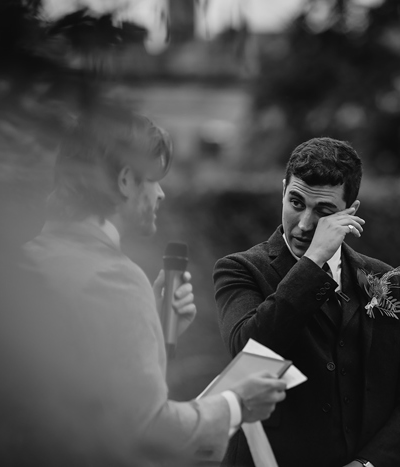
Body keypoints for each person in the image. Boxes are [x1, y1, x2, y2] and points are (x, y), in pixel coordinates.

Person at [23, 110, 286, 466]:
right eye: (155, 179)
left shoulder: (26, 259)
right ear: (126, 180)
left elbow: (89, 392)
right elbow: (148, 432)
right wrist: (236, 404)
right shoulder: (115, 279)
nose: (161, 194)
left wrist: (158, 333)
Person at [213, 137, 400, 467]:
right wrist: (313, 261)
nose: (304, 224)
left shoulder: (386, 281)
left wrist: (369, 464)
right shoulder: (240, 269)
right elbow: (248, 347)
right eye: (296, 202)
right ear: (284, 190)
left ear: (350, 211)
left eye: (323, 211)